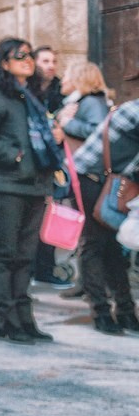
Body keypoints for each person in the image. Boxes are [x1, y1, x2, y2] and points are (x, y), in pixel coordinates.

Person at [0, 39, 61, 344]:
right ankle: (7, 320)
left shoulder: (31, 97)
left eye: (29, 55)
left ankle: (25, 318)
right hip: (4, 186)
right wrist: (14, 155)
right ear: (4, 63)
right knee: (6, 254)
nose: (27, 60)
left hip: (33, 186)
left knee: (26, 257)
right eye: (18, 56)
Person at [71, 98, 139, 335]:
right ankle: (100, 312)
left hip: (111, 183)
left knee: (113, 248)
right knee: (94, 245)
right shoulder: (135, 111)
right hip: (90, 178)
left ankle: (126, 311)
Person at [27, 46, 63, 288]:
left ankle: (45, 269)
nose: (50, 65)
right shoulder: (25, 92)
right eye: (45, 60)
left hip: (52, 165)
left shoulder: (60, 93)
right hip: (28, 163)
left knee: (50, 216)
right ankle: (27, 270)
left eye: (54, 61)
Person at [57, 60, 111, 150]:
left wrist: (68, 123)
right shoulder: (77, 101)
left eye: (65, 76)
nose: (62, 81)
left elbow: (100, 132)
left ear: (77, 78)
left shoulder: (92, 102)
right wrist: (61, 115)